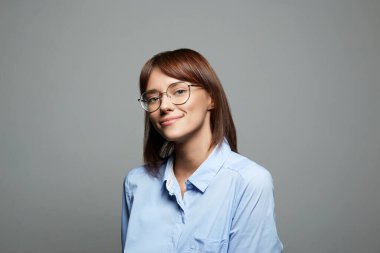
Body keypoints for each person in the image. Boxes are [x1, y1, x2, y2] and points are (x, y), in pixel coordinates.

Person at [121, 48, 283, 253]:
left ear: (211, 98)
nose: (164, 105)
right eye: (153, 98)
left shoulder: (249, 182)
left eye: (179, 91)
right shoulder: (136, 183)